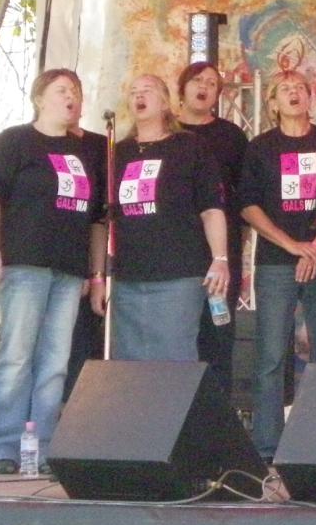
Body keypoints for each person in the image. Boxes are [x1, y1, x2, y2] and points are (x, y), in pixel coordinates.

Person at [0, 69, 106, 475]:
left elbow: (96, 219)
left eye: (76, 91)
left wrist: (96, 273)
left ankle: (46, 446)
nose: (71, 97)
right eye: (62, 90)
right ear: (40, 98)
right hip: (25, 263)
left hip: (69, 270)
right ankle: (2, 445)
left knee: (55, 363)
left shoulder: (85, 151)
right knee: (17, 357)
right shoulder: (16, 140)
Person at [240, 71, 316, 462]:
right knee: (271, 355)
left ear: (310, 97)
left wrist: (315, 247)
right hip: (276, 263)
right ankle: (267, 447)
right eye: (285, 89)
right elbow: (249, 206)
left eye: (300, 87)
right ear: (273, 103)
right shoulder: (260, 147)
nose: (294, 93)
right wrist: (292, 246)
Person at [95, 74, 228, 362]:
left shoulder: (189, 146)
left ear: (166, 101)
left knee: (173, 361)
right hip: (128, 275)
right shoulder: (118, 153)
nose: (139, 96)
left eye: (147, 90)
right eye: (133, 91)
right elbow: (104, 218)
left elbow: (211, 208)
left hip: (179, 274)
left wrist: (220, 259)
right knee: (127, 364)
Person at [177, 62, 249, 399]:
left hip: (220, 253)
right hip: (175, 253)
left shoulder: (231, 136)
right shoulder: (165, 133)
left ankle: (218, 418)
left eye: (212, 83)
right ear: (182, 87)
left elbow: (244, 196)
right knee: (179, 336)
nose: (204, 87)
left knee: (218, 332)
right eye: (197, 80)